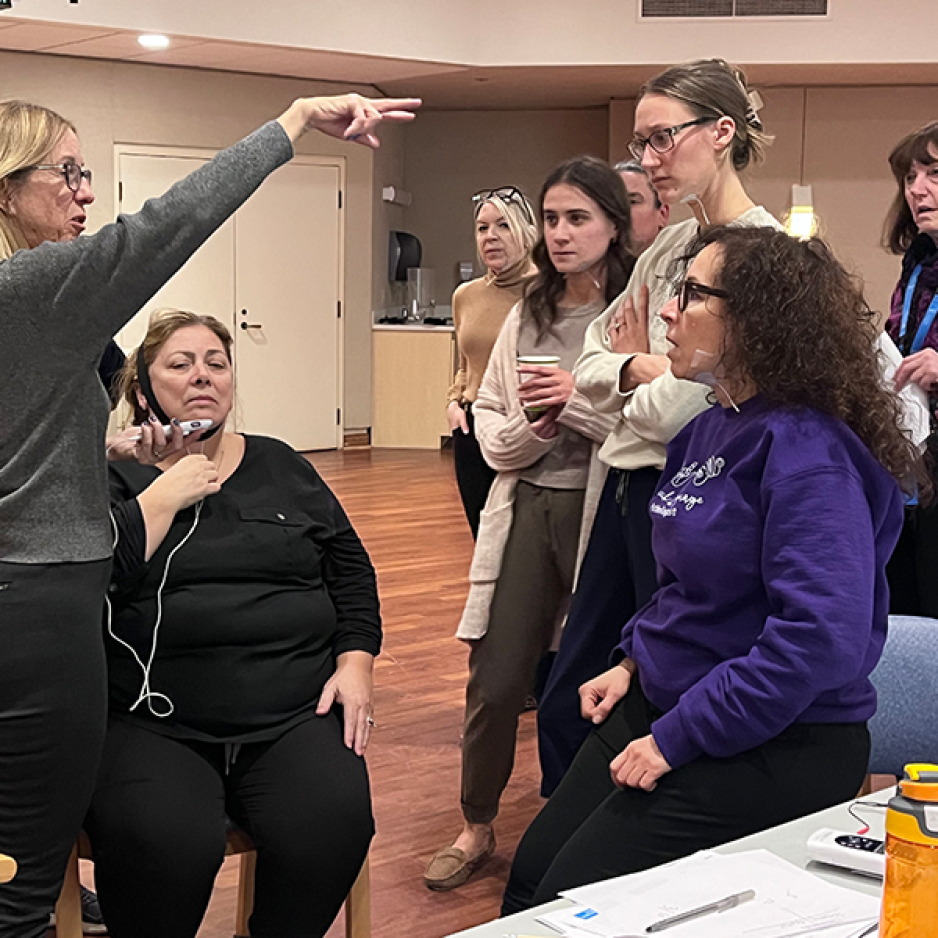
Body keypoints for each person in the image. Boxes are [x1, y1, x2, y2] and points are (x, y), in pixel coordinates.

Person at [0, 92, 417, 937]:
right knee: (21, 890)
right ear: (6, 189)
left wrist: (107, 457)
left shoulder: (276, 465)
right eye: (68, 173)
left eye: (88, 173)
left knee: (18, 869)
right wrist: (294, 124)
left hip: (39, 600)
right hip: (36, 613)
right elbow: (170, 223)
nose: (87, 194)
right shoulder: (31, 288)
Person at [502, 225, 921, 912]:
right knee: (531, 879)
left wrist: (677, 737)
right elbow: (687, 585)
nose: (666, 310)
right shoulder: (706, 428)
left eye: (692, 294)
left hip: (772, 736)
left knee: (571, 901)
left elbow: (818, 640)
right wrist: (633, 659)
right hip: (668, 696)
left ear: (756, 319)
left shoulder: (809, 452)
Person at [84, 309, 380, 938]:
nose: (202, 377)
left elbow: (351, 570)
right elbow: (93, 581)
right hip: (154, 719)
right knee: (162, 845)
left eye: (216, 363)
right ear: (142, 391)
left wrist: (356, 662)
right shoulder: (113, 478)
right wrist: (162, 492)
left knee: (333, 823)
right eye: (180, 364)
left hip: (292, 711)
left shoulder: (282, 465)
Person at [537, 59, 780, 797]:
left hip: (694, 494)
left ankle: (629, 841)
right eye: (640, 143)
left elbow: (684, 407)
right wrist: (639, 369)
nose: (646, 161)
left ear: (722, 132)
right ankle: (567, 833)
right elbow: (590, 361)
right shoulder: (672, 245)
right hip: (625, 486)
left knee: (656, 679)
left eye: (661, 139)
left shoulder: (767, 253)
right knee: (570, 684)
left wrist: (638, 373)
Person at [424, 156, 634, 891]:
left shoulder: (635, 311)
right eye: (552, 219)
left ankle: (580, 818)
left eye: (579, 218)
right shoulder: (528, 311)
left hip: (607, 515)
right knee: (497, 673)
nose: (561, 233)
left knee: (589, 674)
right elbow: (493, 427)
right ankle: (476, 822)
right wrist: (547, 423)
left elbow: (640, 426)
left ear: (615, 223)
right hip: (526, 505)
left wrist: (570, 402)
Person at [446, 187, 537, 538]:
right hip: (471, 429)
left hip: (523, 426)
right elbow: (466, 364)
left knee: (521, 541)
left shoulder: (548, 291)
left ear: (527, 232)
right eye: (483, 228)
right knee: (482, 534)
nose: (491, 237)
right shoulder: (465, 295)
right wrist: (453, 402)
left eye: (503, 226)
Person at [883, 121, 938, 617]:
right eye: (910, 176)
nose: (917, 189)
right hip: (915, 466)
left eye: (935, 173)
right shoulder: (919, 263)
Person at [614, 160, 669, 254]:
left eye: (632, 201)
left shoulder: (686, 266)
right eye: (612, 203)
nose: (618, 210)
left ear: (663, 214)